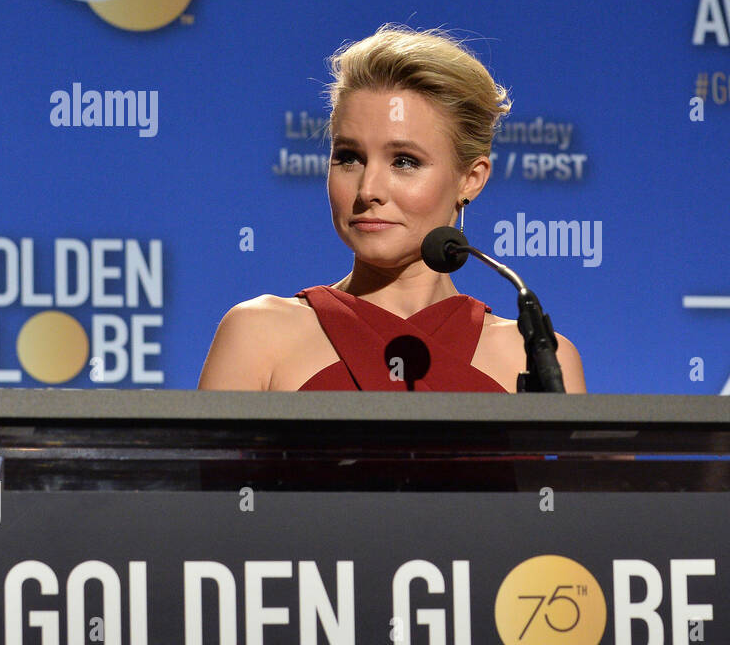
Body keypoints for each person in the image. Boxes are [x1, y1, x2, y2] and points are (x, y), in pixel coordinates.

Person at [198, 24, 586, 393]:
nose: (368, 190)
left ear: (471, 179)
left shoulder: (537, 358)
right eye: (349, 157)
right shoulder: (257, 334)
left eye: (404, 161)